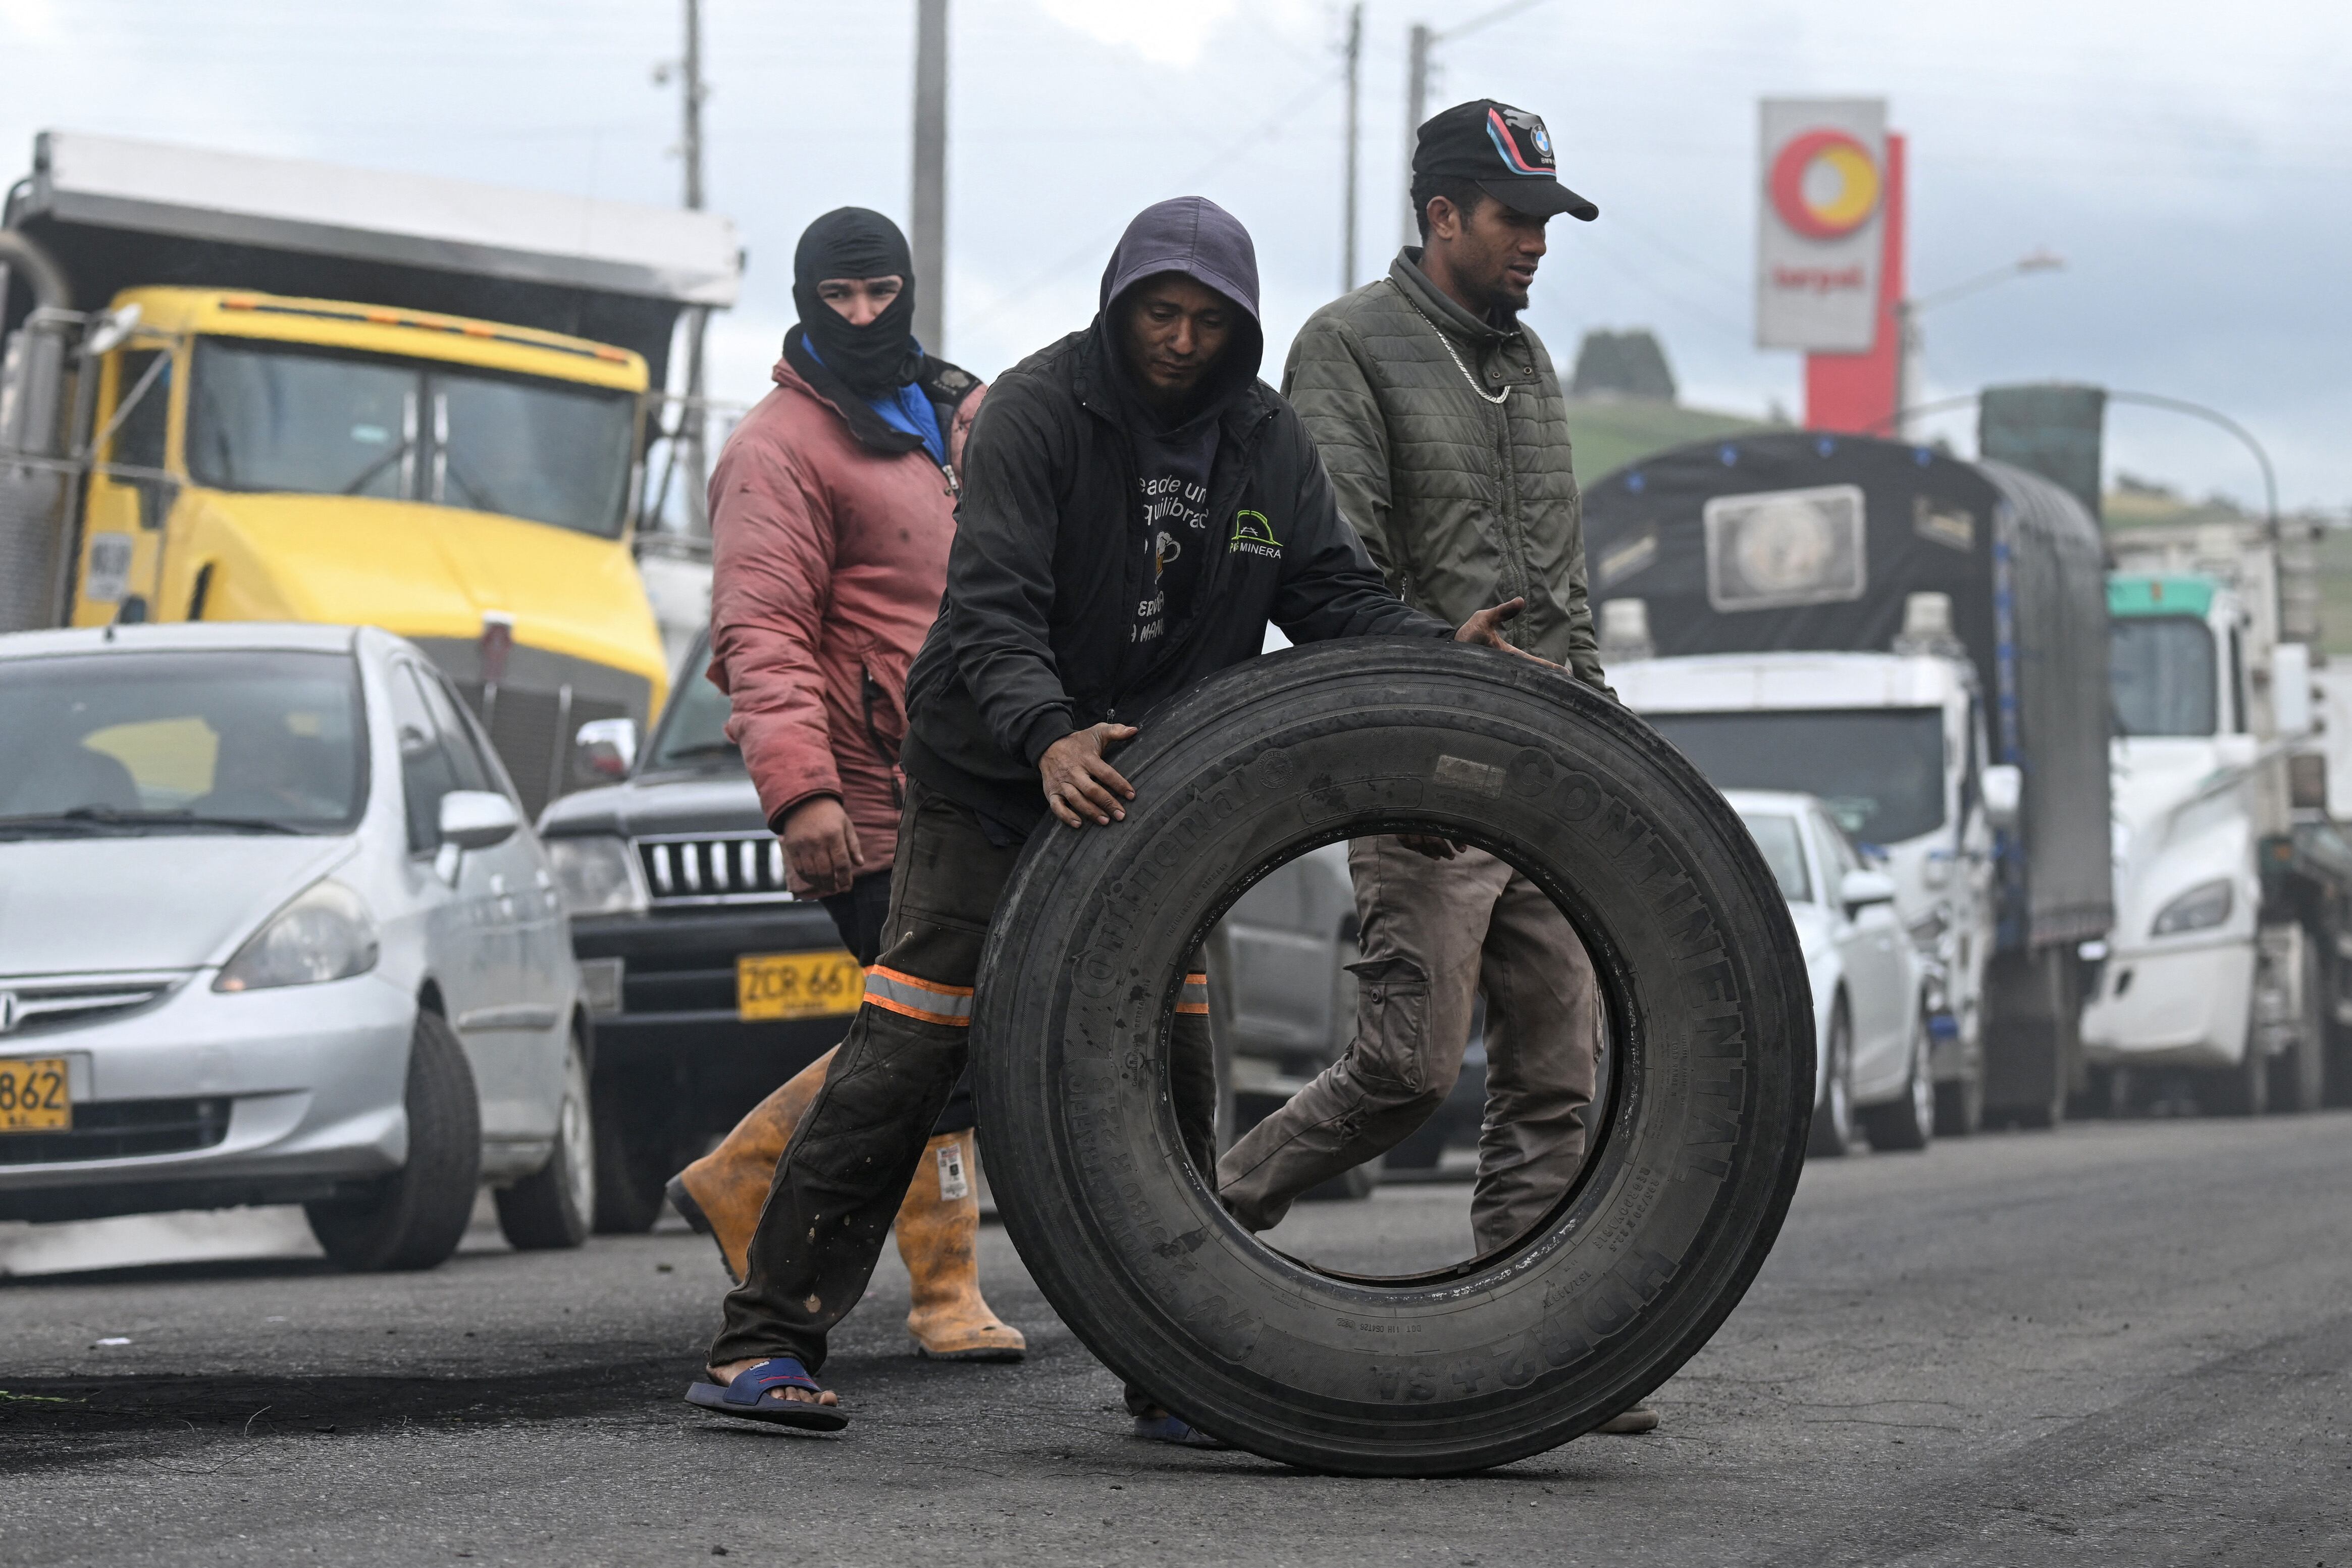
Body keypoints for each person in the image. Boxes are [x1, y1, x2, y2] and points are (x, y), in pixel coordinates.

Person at [683, 195, 1535, 1439]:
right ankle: (765, 1339)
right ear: (1118, 303)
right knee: (915, 1040)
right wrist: (1046, 733)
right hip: (991, 772)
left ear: (1237, 329)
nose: (1180, 340)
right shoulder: (1035, 409)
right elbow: (988, 610)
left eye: (1204, 321)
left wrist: (1432, 650)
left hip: (1145, 791)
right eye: (1159, 312)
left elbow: (1331, 592)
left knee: (1169, 1065)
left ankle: (1170, 1369)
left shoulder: (1260, 438)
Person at [1213, 99, 1658, 1435]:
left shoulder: (1532, 369)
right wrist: (1428, 687)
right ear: (1440, 214)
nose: (1534, 244)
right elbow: (1331, 572)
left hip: (1552, 777)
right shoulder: (1344, 347)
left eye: (1546, 222)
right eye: (1513, 218)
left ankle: (1537, 1342)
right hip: (1425, 769)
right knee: (1406, 1070)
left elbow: (1564, 591)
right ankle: (1181, 1250)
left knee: (1555, 1070)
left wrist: (1606, 740)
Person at [666, 207, 1026, 1364]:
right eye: (839, 298)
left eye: (880, 293)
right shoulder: (775, 448)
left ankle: (744, 1175)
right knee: (931, 1033)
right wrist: (801, 796)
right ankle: (938, 1289)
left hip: (977, 780)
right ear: (803, 298)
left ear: (910, 289)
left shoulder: (957, 412)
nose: (862, 316)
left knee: (939, 1030)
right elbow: (759, 635)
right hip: (870, 794)